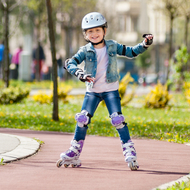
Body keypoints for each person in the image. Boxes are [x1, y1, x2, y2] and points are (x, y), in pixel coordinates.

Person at [56, 12, 153, 170]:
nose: (94, 34)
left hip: (110, 90)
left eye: (97, 30)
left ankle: (129, 150)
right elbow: (70, 62)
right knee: (82, 119)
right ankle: (74, 151)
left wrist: (145, 44)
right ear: (86, 35)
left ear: (104, 31)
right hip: (92, 91)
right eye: (90, 32)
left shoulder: (113, 46)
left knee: (118, 120)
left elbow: (131, 52)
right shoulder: (85, 50)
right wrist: (79, 73)